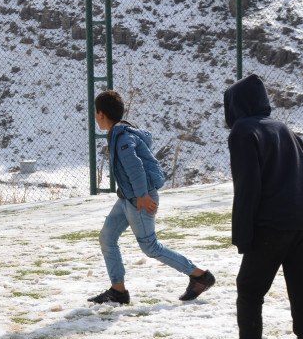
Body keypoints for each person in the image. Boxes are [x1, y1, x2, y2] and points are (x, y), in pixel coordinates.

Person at [220, 74, 303, 339]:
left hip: (272, 225)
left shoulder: (243, 131)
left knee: (249, 290)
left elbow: (247, 187)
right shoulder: (283, 128)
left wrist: (243, 236)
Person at [88, 89, 215, 305]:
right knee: (107, 238)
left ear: (100, 114)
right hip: (128, 198)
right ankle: (118, 291)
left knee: (150, 247)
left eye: (94, 113)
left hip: (139, 198)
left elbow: (135, 167)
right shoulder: (121, 133)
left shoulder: (122, 139)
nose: (94, 117)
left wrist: (142, 196)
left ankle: (200, 276)